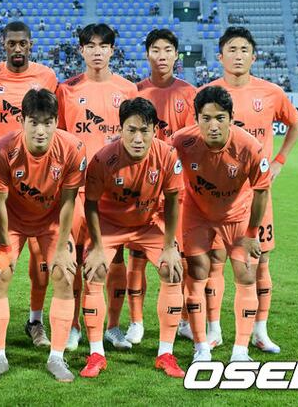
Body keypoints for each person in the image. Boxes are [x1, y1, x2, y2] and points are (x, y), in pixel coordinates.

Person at [203, 27, 298, 352]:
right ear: (220, 56)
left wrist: (279, 161)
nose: (238, 55)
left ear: (254, 56)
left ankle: (260, 331)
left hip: (257, 194)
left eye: (244, 50)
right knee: (215, 260)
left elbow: (295, 123)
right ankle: (214, 330)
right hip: (217, 196)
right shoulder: (207, 93)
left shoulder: (271, 92)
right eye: (231, 50)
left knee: (259, 262)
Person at [0, 89, 86, 382]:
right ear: (22, 120)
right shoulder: (3, 149)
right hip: (12, 221)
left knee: (64, 276)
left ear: (56, 122)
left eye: (48, 122)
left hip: (51, 222)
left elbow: (69, 201)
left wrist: (63, 246)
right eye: (34, 122)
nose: (41, 130)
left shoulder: (73, 148)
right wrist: (4, 247)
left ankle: (57, 358)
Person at [82, 97, 185, 378]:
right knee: (94, 271)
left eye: (145, 131)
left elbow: (173, 201)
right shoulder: (103, 158)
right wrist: (97, 246)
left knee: (172, 270)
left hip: (147, 225)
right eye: (131, 130)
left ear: (155, 131)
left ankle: (166, 354)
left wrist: (169, 246)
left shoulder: (167, 155)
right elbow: (90, 204)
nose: (138, 139)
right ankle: (96, 354)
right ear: (121, 129)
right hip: (109, 225)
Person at [172, 86, 270, 362]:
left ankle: (241, 350)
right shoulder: (182, 141)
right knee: (197, 273)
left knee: (246, 275)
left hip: (236, 215)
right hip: (197, 214)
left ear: (231, 118)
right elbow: (157, 157)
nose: (213, 125)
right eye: (206, 118)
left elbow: (262, 190)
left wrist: (252, 233)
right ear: (196, 119)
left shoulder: (249, 146)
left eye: (220, 118)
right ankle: (201, 347)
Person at [56, 23, 138, 351]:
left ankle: (113, 326)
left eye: (103, 46)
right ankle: (74, 325)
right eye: (90, 46)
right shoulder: (66, 90)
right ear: (81, 50)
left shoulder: (128, 90)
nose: (97, 52)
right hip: (77, 189)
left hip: (115, 191)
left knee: (114, 260)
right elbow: (59, 140)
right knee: (76, 258)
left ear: (112, 50)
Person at [0, 21, 58, 347]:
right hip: (0, 183)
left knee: (41, 264)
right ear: (4, 45)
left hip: (38, 184)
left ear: (31, 44)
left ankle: (35, 322)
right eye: (12, 43)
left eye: (23, 43)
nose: (18, 49)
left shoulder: (47, 77)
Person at [136, 28, 197, 343]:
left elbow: (193, 141)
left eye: (168, 50)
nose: (161, 56)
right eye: (156, 50)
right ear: (147, 54)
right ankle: (136, 322)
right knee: (136, 259)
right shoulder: (135, 92)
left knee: (179, 257)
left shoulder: (190, 94)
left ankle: (184, 319)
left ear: (176, 55)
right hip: (141, 189)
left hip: (176, 188)